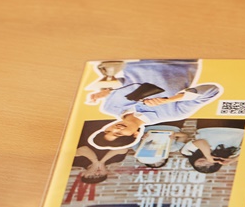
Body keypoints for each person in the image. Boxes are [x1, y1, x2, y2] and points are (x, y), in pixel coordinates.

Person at [87, 59, 222, 150]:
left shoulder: (109, 107)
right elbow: (212, 90)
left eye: (108, 130)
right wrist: (170, 99)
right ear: (135, 135)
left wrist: (106, 90)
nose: (116, 129)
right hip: (179, 60)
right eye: (119, 134)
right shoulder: (173, 114)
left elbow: (124, 81)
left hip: (135, 59)